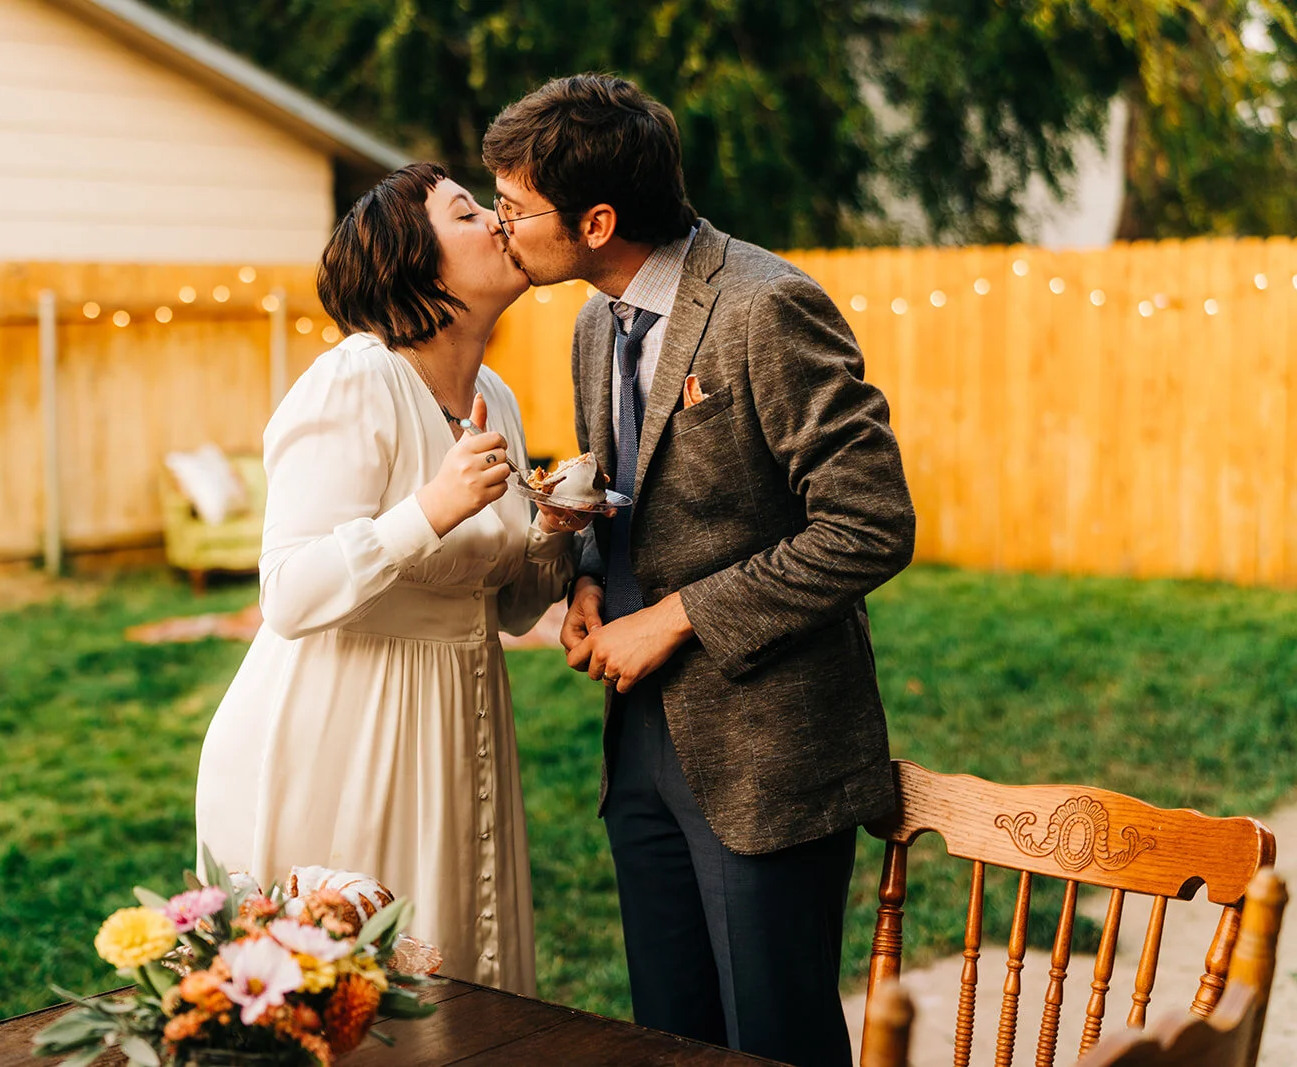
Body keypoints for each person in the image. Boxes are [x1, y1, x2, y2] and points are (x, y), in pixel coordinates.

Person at [482, 75, 916, 1064]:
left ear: (596, 220)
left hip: (765, 747)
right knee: (668, 1032)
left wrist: (674, 617)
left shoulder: (767, 307)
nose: (502, 224)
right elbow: (624, 498)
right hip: (637, 744)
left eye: (515, 208)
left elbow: (868, 524)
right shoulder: (596, 321)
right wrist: (587, 577)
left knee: (772, 1036)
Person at [195, 162, 581, 995]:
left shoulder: (498, 401)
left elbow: (508, 610)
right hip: (347, 730)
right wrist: (430, 507)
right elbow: (288, 593)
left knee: (463, 980)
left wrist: (553, 528)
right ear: (415, 259)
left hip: (460, 720)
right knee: (360, 993)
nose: (498, 223)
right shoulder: (357, 379)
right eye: (468, 212)